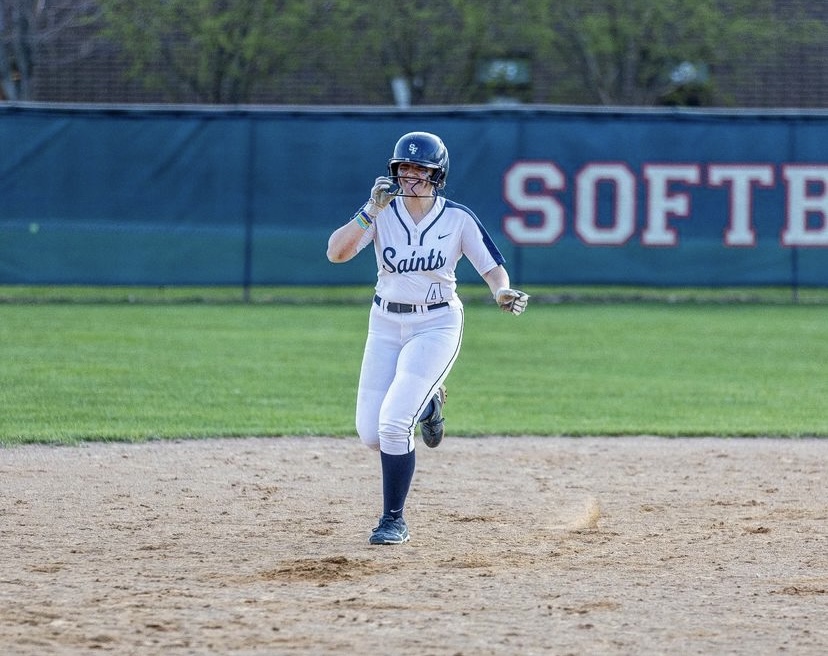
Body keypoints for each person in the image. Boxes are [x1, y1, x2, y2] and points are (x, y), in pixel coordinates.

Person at [326, 131, 528, 545]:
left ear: (438, 175)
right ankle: (430, 405)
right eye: (404, 168)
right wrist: (369, 210)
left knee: (395, 422)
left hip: (436, 324)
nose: (410, 176)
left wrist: (500, 291)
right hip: (384, 324)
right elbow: (336, 253)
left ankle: (392, 520)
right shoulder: (381, 212)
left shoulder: (456, 218)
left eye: (421, 169)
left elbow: (492, 268)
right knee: (371, 434)